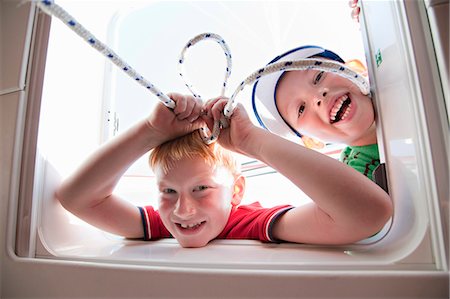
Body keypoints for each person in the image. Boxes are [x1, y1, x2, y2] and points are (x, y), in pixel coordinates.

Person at [55, 91, 392, 248]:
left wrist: (254, 142)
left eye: (201, 189)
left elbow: (367, 214)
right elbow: (75, 198)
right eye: (168, 191)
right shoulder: (164, 223)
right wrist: (150, 131)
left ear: (238, 191)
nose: (183, 210)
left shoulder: (249, 221)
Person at [251, 45, 382, 182]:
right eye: (301, 109)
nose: (317, 97)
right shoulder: (355, 174)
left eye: (319, 76)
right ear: (312, 142)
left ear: (354, 69)